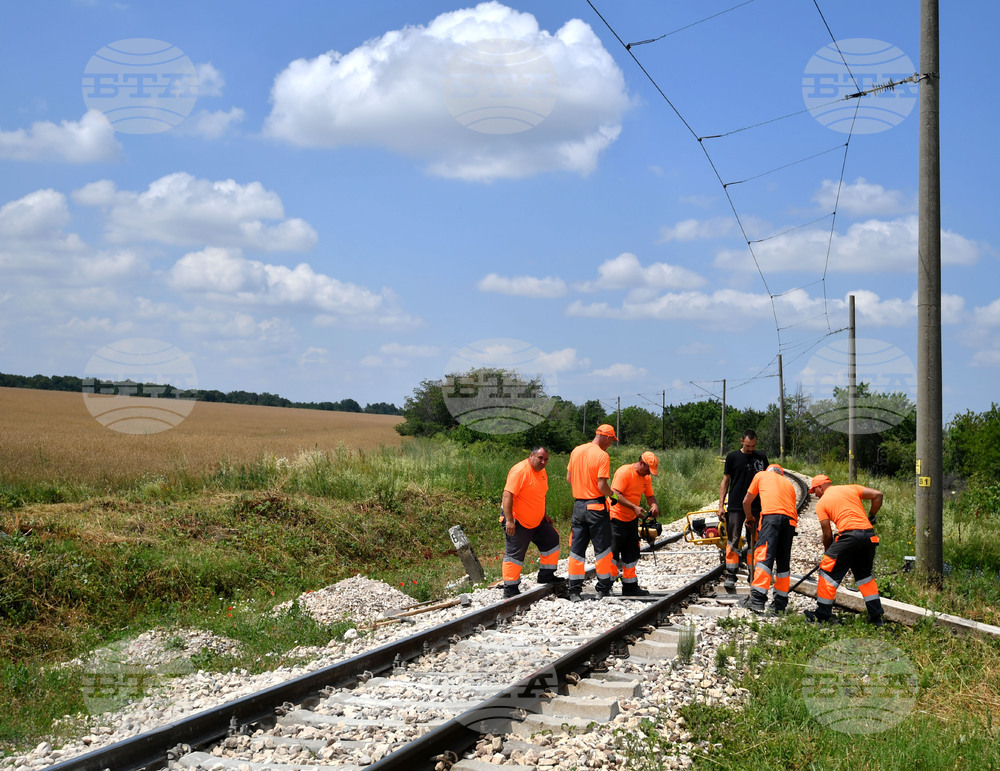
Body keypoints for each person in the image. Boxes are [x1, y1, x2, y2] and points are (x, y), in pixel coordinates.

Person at [804, 474, 886, 626]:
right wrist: (872, 516)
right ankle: (876, 618)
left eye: (815, 491)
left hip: (849, 537)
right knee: (865, 578)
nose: (815, 495)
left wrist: (828, 553)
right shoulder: (850, 488)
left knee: (827, 573)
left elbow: (827, 534)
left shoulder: (822, 503)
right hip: (868, 537)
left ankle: (822, 615)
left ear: (821, 487)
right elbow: (878, 495)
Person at [565, 424, 618, 601]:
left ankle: (574, 590)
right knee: (602, 549)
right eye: (611, 441)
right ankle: (603, 588)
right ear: (607, 438)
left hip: (578, 506)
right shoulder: (602, 456)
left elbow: (569, 479)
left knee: (576, 549)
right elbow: (602, 485)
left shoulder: (576, 451)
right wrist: (613, 496)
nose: (610, 445)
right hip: (595, 506)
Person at [500, 446, 561, 599]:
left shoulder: (542, 472)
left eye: (546, 459)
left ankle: (546, 575)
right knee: (515, 554)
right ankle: (510, 589)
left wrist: (544, 514)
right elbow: (507, 496)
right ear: (531, 456)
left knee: (552, 540)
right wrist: (509, 520)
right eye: (540, 458)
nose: (543, 462)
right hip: (517, 521)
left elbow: (541, 495)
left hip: (537, 520)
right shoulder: (520, 471)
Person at [742, 463, 798, 614]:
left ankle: (757, 601)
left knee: (764, 557)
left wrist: (749, 517)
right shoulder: (789, 484)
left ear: (768, 471)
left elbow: (746, 501)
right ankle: (780, 604)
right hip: (790, 522)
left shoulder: (761, 475)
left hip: (772, 517)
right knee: (783, 561)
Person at [719, 430, 769, 589]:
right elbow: (725, 481)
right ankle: (731, 575)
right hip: (735, 505)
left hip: (756, 506)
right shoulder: (732, 457)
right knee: (733, 539)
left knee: (754, 540)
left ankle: (752, 573)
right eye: (748, 445)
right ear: (741, 441)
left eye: (753, 446)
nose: (750, 449)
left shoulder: (761, 457)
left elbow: (767, 482)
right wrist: (721, 505)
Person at [610, 451, 661, 596]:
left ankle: (630, 586)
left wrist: (654, 505)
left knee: (631, 553)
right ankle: (607, 585)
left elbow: (650, 495)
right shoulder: (624, 472)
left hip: (631, 520)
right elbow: (614, 494)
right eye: (648, 470)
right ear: (642, 463)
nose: (649, 474)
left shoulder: (646, 478)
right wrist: (633, 507)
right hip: (615, 518)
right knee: (612, 554)